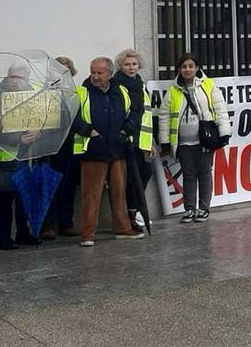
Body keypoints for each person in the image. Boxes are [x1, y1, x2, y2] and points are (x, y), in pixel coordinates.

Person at [75, 57, 145, 246]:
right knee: (91, 194)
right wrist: (89, 131)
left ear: (109, 73)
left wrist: (125, 131)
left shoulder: (121, 91)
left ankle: (122, 228)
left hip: (118, 148)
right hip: (93, 150)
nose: (95, 76)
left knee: (119, 191)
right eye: (93, 72)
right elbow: (72, 117)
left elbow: (134, 113)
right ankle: (87, 233)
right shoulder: (81, 92)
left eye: (100, 73)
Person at [158, 53, 231, 222]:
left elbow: (220, 109)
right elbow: (164, 116)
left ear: (197, 68)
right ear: (179, 70)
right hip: (183, 143)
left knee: (205, 174)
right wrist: (165, 141)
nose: (187, 69)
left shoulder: (208, 85)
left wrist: (224, 133)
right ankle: (189, 209)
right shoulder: (173, 90)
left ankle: (204, 208)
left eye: (191, 66)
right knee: (188, 175)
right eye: (184, 67)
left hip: (204, 141)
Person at [0, 62, 38, 249]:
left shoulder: (35, 98)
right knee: (4, 199)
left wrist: (38, 132)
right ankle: (4, 236)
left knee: (24, 197)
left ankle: (23, 233)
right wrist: (19, 138)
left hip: (28, 156)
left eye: (19, 78)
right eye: (12, 77)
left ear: (27, 80)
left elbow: (45, 121)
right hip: (5, 156)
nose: (15, 81)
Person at [113, 49, 155, 232]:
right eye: (127, 64)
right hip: (126, 140)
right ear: (120, 66)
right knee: (130, 181)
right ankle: (130, 215)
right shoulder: (118, 85)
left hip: (141, 141)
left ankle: (136, 209)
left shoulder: (140, 84)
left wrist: (149, 142)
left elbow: (146, 116)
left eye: (134, 64)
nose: (131, 67)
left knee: (146, 172)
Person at [42, 56, 80, 239]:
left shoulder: (76, 92)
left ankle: (66, 222)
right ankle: (47, 225)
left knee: (69, 185)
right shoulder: (44, 92)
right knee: (50, 185)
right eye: (58, 70)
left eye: (65, 70)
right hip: (50, 145)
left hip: (71, 145)